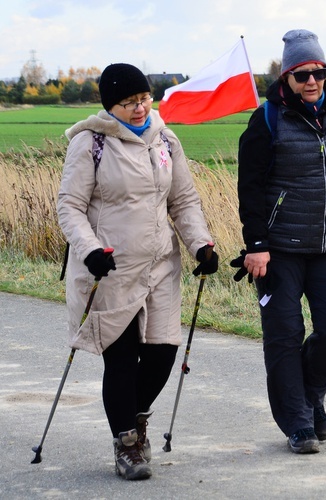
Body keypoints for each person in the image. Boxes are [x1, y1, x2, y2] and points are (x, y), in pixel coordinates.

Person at [57, 63, 219, 480]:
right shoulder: (89, 143)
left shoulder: (164, 139)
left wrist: (200, 244)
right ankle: (127, 444)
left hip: (160, 265)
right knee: (123, 357)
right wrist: (91, 250)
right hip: (110, 269)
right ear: (110, 105)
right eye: (128, 102)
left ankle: (135, 418)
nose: (138, 108)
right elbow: (70, 207)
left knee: (164, 352)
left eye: (144, 99)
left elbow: (183, 201)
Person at [234, 29, 326, 454]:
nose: (312, 81)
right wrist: (256, 242)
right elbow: (250, 187)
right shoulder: (267, 120)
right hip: (278, 249)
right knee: (284, 335)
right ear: (286, 79)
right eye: (302, 75)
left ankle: (311, 395)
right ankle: (297, 422)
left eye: (319, 72)